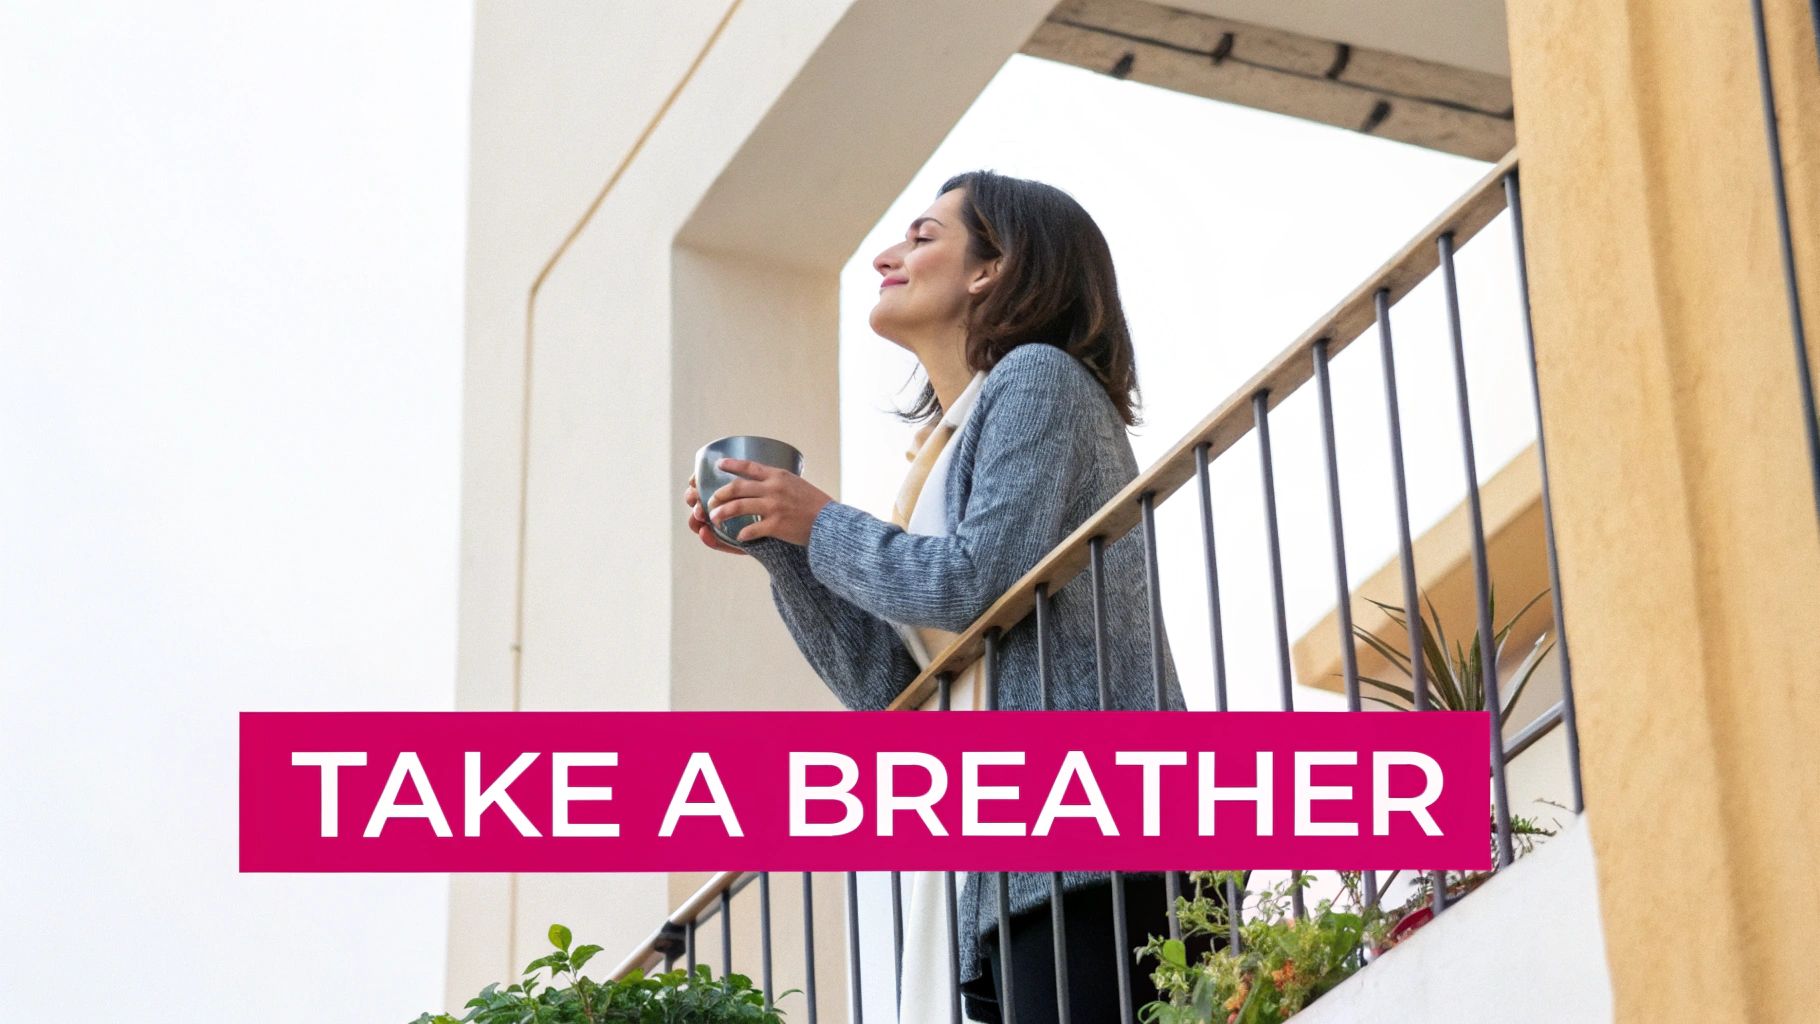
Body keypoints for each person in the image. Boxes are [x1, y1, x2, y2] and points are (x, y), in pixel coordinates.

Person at [682, 171, 1206, 1023]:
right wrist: (786, 548)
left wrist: (821, 523)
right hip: (1013, 862)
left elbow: (975, 581)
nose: (888, 256)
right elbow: (890, 691)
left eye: (923, 237)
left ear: (992, 269)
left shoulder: (1040, 380)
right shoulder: (943, 450)